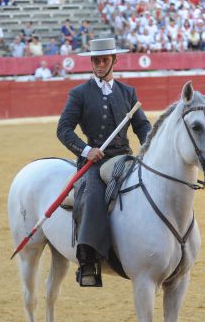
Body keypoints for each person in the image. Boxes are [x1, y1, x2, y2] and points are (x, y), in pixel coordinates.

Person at [57, 38, 151, 286]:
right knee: (92, 194)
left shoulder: (127, 92)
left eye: (104, 60)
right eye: (96, 60)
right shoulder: (79, 93)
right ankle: (88, 257)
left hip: (124, 155)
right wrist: (86, 150)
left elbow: (141, 125)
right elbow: (64, 129)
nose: (99, 64)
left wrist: (149, 146)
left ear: (114, 61)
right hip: (95, 163)